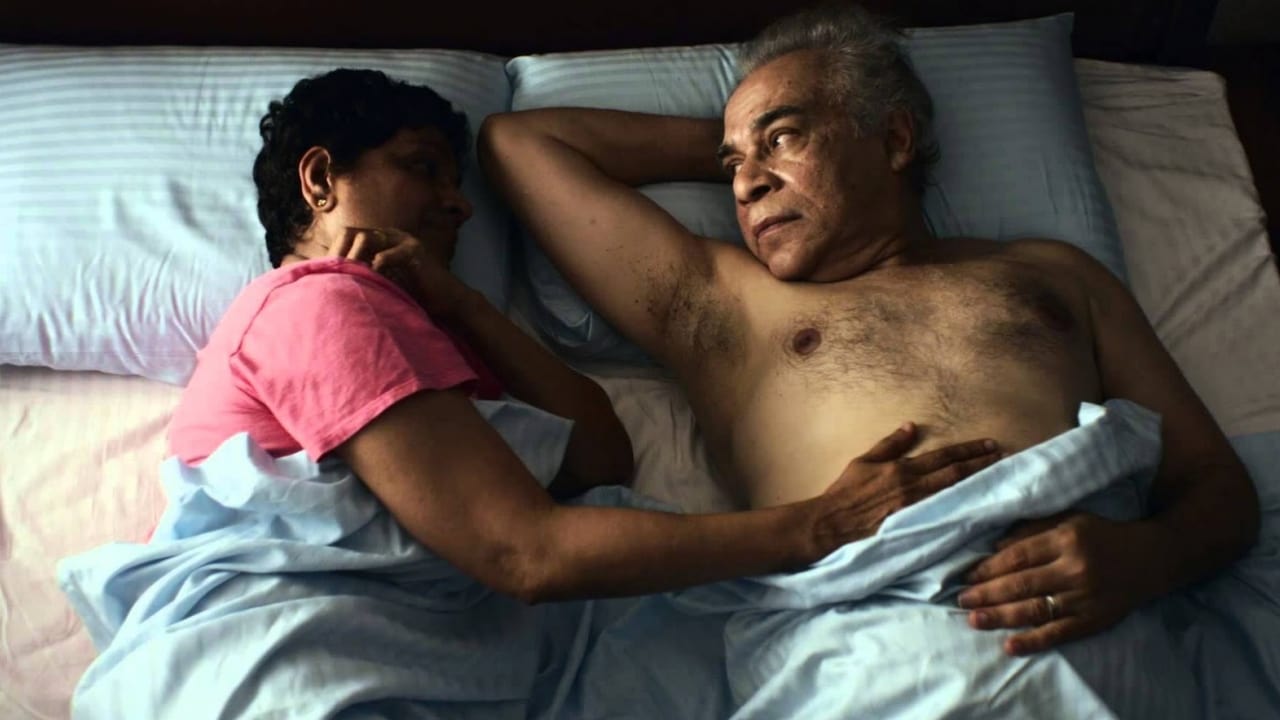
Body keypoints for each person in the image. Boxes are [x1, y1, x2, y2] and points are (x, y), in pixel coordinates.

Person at [478, 3, 1260, 653]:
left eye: (783, 137)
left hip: (1095, 628)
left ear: (893, 139)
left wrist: (1147, 558)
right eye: (732, 168)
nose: (746, 186)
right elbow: (520, 144)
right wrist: (744, 146)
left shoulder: (1059, 276)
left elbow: (1217, 488)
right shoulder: (725, 305)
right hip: (876, 642)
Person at [165, 67, 1002, 605]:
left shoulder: (425, 336)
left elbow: (600, 460)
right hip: (289, 647)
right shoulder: (315, 307)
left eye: (455, 182)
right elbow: (523, 554)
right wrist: (815, 525)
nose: (458, 204)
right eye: (422, 167)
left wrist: (465, 306)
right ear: (321, 179)